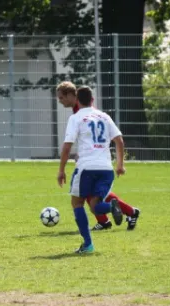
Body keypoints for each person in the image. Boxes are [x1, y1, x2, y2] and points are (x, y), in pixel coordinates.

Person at [56, 81, 140, 231]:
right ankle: (109, 219)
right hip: (101, 162)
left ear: (72, 96)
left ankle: (126, 213)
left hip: (92, 162)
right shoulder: (94, 112)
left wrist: (81, 155)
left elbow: (78, 138)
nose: (60, 101)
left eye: (61, 97)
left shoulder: (79, 111)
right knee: (95, 194)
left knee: (88, 194)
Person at [57, 86, 126, 254]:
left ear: (78, 100)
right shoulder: (104, 116)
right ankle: (112, 208)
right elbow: (119, 141)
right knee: (95, 206)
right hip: (106, 168)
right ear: (92, 100)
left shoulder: (76, 118)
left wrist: (61, 170)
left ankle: (88, 245)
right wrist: (120, 165)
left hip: (86, 167)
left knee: (77, 203)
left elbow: (67, 146)